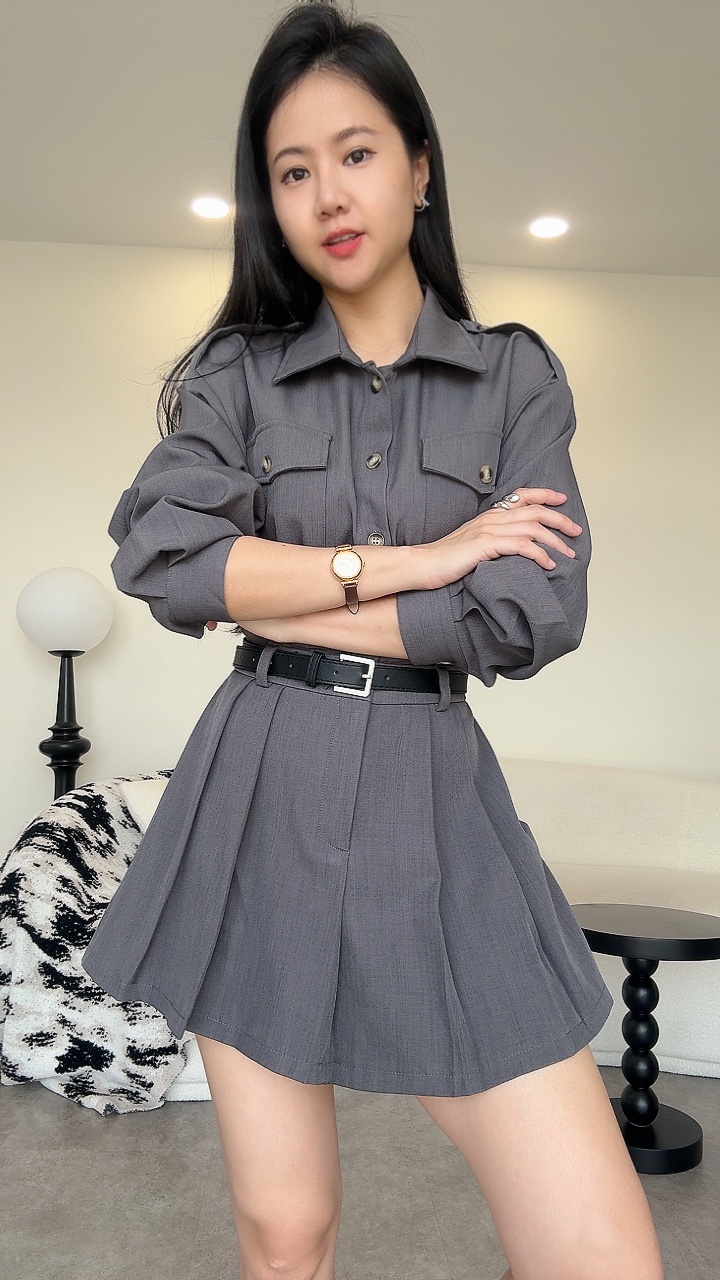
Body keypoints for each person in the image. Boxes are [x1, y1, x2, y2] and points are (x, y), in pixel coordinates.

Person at [82, 3, 664, 1278]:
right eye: (292, 171)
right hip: (260, 784)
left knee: (601, 1252)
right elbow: (165, 559)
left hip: (433, 792)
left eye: (355, 153)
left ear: (419, 165)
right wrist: (418, 557)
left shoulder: (515, 376)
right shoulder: (238, 374)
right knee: (285, 1232)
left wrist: (275, 587)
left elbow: (528, 610)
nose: (328, 195)